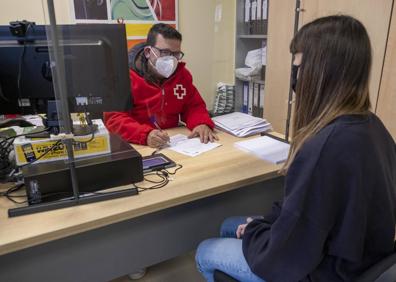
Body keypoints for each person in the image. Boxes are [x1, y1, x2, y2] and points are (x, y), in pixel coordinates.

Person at [195, 15, 396, 282]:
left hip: (323, 272)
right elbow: (302, 214)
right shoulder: (372, 125)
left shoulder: (323, 148)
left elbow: (284, 258)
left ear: (319, 73)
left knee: (205, 251)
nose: (295, 78)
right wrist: (262, 227)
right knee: (229, 225)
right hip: (361, 260)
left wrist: (257, 233)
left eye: (298, 68)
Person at [104, 23, 217, 148]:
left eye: (176, 54)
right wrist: (145, 135)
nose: (171, 60)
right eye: (165, 52)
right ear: (148, 52)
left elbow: (193, 106)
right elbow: (114, 119)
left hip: (173, 143)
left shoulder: (182, 76)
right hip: (138, 144)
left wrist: (200, 123)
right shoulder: (125, 77)